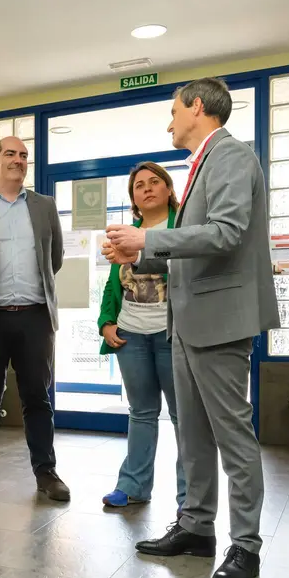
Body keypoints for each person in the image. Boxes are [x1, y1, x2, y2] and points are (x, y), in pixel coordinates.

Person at [104, 77, 279, 578]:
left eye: (174, 110)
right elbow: (195, 250)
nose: (169, 121)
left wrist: (147, 238)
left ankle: (245, 544)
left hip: (220, 321)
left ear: (196, 107)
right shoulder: (201, 162)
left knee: (233, 437)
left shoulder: (229, 156)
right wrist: (141, 253)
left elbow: (225, 233)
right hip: (185, 322)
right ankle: (197, 527)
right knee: (194, 436)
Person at [0, 136, 69, 502]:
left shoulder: (44, 206)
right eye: (10, 154)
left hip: (36, 316)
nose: (18, 160)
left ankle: (46, 471)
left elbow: (53, 259)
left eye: (23, 156)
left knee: (38, 397)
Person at [97, 162, 186, 511]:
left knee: (183, 415)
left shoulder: (182, 226)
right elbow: (111, 285)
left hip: (173, 332)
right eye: (139, 185)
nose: (146, 188)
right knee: (141, 412)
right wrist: (106, 321)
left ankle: (190, 498)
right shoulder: (127, 233)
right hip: (131, 333)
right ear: (133, 197)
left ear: (168, 189)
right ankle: (132, 485)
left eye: (154, 182)